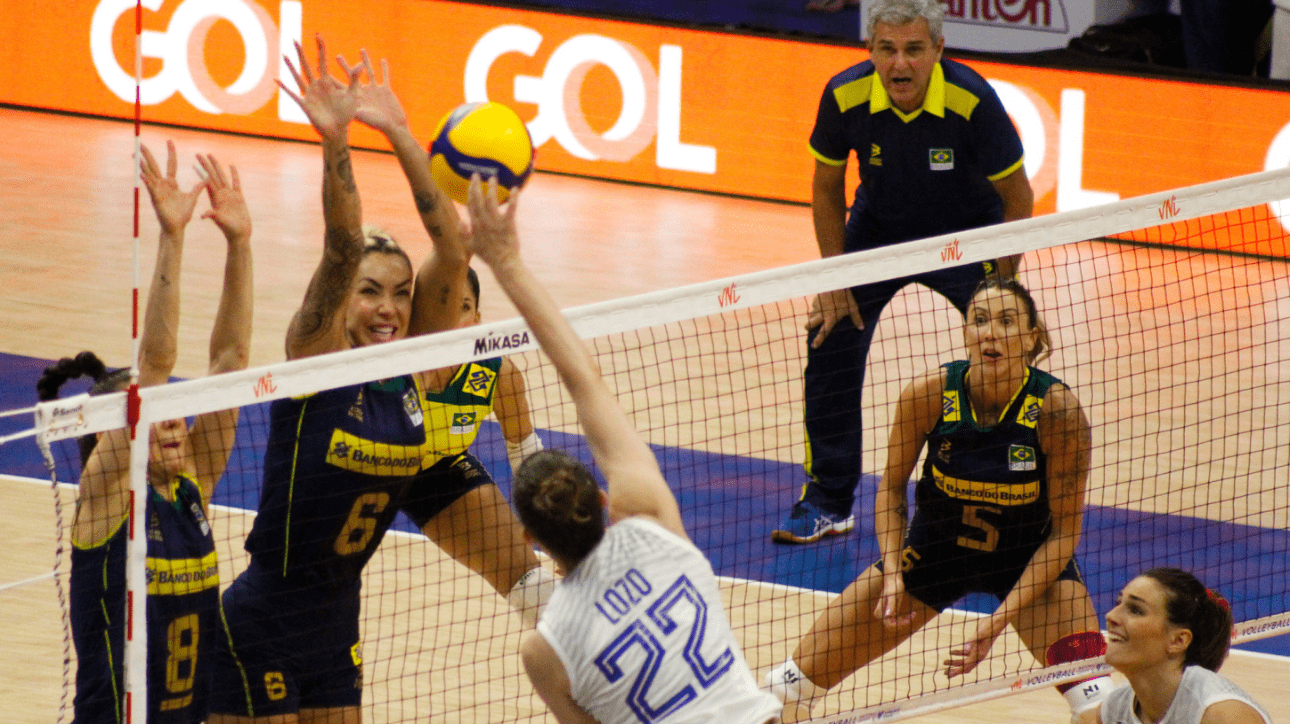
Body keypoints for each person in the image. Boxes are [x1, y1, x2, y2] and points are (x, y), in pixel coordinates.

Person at [208, 37, 550, 724]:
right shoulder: (314, 360)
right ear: (343, 300)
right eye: (369, 292)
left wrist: (399, 132)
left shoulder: (417, 373)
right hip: (262, 626)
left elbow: (452, 248)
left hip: (337, 631)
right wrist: (337, 140)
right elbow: (341, 243)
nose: (388, 307)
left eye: (400, 292)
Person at [464, 174, 782, 724]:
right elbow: (584, 376)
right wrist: (506, 260)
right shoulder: (651, 523)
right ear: (606, 501)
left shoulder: (543, 650)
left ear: (531, 538)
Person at [766, 278, 1112, 721]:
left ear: (1031, 337)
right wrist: (893, 571)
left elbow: (1065, 533)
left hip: (1028, 566)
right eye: (980, 320)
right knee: (787, 690)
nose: (991, 333)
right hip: (932, 556)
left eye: (1007, 322)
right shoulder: (928, 395)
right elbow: (890, 490)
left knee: (1100, 707)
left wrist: (997, 620)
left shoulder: (1057, 412)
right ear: (966, 331)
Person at [773, 0, 1034, 544]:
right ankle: (828, 501)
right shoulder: (845, 93)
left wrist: (1003, 290)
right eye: (887, 50)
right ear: (870, 51)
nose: (900, 65)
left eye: (914, 49)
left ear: (938, 51)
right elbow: (826, 187)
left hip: (965, 234)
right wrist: (836, 276)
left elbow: (1018, 197)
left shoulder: (972, 100)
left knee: (1003, 351)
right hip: (878, 230)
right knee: (829, 338)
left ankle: (1008, 495)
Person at [38, 141, 253, 724]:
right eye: (154, 416)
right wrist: (173, 237)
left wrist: (239, 244)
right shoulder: (104, 508)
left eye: (174, 410)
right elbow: (154, 364)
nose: (176, 422)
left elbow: (231, 361)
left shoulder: (190, 488)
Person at [1098, 568, 1272, 724]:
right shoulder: (1113, 710)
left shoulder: (1222, 714)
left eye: (1135, 610)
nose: (1111, 616)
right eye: (1118, 604)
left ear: (1178, 641)